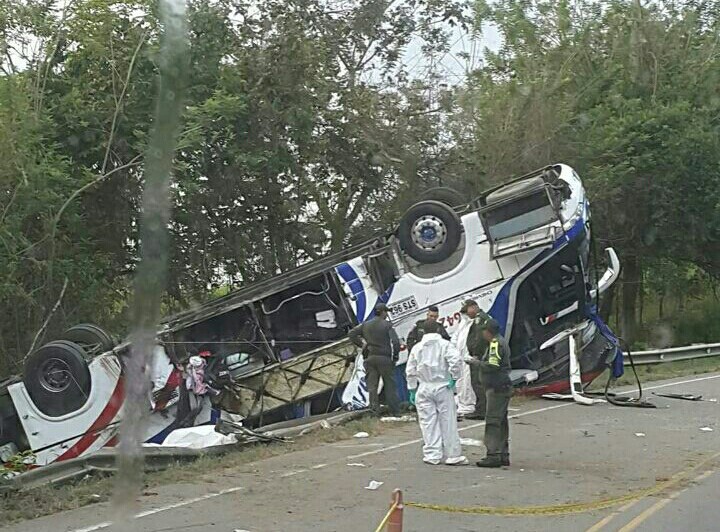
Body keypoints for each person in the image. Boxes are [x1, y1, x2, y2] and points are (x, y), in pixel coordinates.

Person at [406, 329, 467, 466]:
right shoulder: (445, 345)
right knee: (448, 421)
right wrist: (454, 377)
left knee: (427, 422)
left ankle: (432, 454)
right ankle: (453, 455)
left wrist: (412, 388)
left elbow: (410, 370)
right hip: (443, 386)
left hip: (424, 386)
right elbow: (456, 360)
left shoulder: (417, 347)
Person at [349, 304, 401, 416]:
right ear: (382, 312)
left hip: (370, 358)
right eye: (386, 312)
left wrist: (362, 345)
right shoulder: (387, 325)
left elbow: (351, 334)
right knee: (390, 385)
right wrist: (395, 357)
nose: (387, 314)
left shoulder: (365, 325)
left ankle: (374, 412)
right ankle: (395, 412)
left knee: (372, 386)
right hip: (384, 359)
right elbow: (396, 343)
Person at [475, 319, 512, 468]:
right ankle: (503, 453)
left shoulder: (495, 344)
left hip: (496, 387)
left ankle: (493, 454)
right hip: (502, 386)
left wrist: (476, 363)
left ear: (488, 331)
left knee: (493, 421)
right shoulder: (501, 341)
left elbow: (493, 365)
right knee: (502, 421)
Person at [464, 301, 491, 420]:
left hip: (480, 356)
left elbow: (480, 339)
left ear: (474, 307)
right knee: (480, 383)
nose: (467, 313)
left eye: (467, 310)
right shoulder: (482, 318)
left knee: (478, 383)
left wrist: (476, 354)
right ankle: (483, 408)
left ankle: (481, 410)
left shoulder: (480, 319)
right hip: (483, 356)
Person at [450, 300, 477, 417]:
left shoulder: (477, 322)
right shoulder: (463, 323)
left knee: (468, 382)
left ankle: (469, 404)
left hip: (469, 356)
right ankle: (463, 402)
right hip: (460, 356)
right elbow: (456, 336)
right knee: (461, 382)